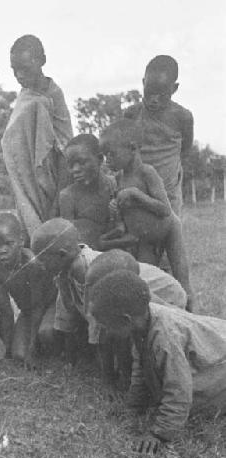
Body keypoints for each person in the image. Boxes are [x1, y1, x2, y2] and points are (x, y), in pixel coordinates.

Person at [89, 270, 226, 455]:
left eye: (106, 326)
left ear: (125, 320)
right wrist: (134, 406)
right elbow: (141, 368)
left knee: (197, 400)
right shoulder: (142, 322)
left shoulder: (165, 338)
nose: (104, 331)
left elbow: (179, 391)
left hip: (220, 362)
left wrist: (159, 434)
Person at [30, 218, 187, 364]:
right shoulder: (65, 271)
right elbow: (67, 315)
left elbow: (98, 323)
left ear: (62, 255)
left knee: (142, 347)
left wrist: (108, 380)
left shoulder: (88, 270)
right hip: (132, 303)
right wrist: (70, 362)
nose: (39, 265)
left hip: (164, 296)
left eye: (42, 259)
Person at [99, 119, 193, 309]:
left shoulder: (146, 173)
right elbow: (123, 220)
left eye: (112, 154)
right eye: (104, 155)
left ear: (132, 148)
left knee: (183, 282)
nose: (108, 160)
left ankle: (192, 316)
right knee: (146, 283)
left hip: (168, 230)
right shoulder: (118, 178)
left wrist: (136, 194)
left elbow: (165, 209)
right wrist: (115, 209)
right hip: (144, 240)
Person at [2, 34, 73, 239]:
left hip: (52, 187)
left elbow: (65, 150)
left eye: (24, 68)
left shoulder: (52, 96)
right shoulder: (25, 96)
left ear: (42, 60)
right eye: (14, 70)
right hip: (26, 185)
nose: (19, 75)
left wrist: (56, 202)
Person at [84, 249, 187, 389]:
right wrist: (108, 380)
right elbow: (102, 335)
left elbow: (174, 319)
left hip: (172, 301)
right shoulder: (104, 289)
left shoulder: (142, 301)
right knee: (120, 334)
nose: (88, 292)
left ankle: (131, 379)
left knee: (141, 343)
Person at [0, 213, 58, 369]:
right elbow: (6, 312)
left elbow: (39, 306)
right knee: (17, 354)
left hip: (52, 305)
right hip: (28, 311)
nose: (2, 251)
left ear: (21, 242)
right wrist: (5, 352)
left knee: (46, 333)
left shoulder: (32, 264)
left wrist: (31, 350)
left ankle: (64, 351)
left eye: (8, 243)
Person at [124, 55, 194, 216]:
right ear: (143, 83)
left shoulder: (182, 117)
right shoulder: (132, 114)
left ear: (174, 88)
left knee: (170, 234)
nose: (154, 100)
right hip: (138, 188)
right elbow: (125, 149)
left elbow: (185, 150)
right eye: (149, 93)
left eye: (162, 95)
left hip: (168, 190)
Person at [59, 134, 137, 251]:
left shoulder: (116, 184)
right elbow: (70, 243)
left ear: (100, 159)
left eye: (82, 162)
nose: (75, 169)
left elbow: (134, 233)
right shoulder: (68, 196)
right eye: (71, 165)